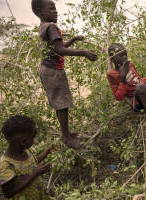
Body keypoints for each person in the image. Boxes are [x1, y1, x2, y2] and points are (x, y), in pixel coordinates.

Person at [31, 0, 98, 149]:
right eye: (51, 8)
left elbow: (58, 47)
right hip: (54, 71)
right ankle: (66, 138)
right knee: (62, 104)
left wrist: (73, 39)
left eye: (55, 8)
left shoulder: (43, 27)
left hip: (46, 70)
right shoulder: (52, 27)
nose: (56, 11)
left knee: (59, 104)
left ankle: (65, 132)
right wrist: (83, 53)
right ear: (39, 11)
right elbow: (60, 51)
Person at [0, 115, 55, 199]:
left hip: (39, 194)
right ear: (23, 141)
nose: (34, 140)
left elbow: (33, 162)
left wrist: (47, 151)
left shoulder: (28, 151)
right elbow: (8, 194)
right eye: (33, 138)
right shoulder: (4, 165)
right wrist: (35, 174)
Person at [107, 43, 146, 111]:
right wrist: (122, 77)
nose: (125, 57)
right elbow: (119, 97)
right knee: (140, 87)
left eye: (125, 54)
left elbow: (139, 80)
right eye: (121, 55)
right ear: (112, 58)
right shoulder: (111, 75)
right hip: (139, 101)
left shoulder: (130, 65)